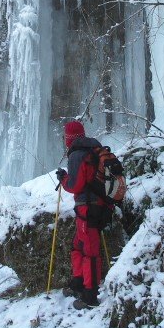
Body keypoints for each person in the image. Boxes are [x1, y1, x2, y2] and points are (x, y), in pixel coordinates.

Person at [55, 120, 111, 309]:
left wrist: (63, 179)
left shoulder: (77, 154)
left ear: (69, 139)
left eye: (65, 138)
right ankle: (78, 282)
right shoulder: (93, 149)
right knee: (78, 245)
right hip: (95, 206)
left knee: (89, 251)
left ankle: (90, 295)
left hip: (88, 207)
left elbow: (75, 185)